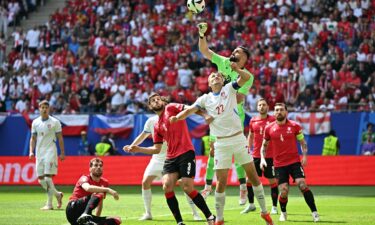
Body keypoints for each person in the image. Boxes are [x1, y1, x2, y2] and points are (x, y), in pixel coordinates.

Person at [170, 71, 274, 225]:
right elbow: (190, 110)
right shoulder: (205, 98)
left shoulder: (229, 89)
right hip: (221, 144)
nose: (216, 77)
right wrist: (177, 117)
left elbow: (246, 78)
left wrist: (237, 69)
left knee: (253, 177)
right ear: (209, 83)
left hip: (239, 139)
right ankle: (219, 219)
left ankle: (264, 212)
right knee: (221, 182)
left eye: (218, 75)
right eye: (212, 76)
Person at [124, 93, 216, 225]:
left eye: (158, 99)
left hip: (185, 152)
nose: (156, 101)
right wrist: (138, 149)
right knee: (167, 186)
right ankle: (179, 222)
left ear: (163, 101)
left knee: (187, 187)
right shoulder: (156, 126)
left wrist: (205, 115)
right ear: (150, 106)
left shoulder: (171, 107)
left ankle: (209, 216)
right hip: (170, 157)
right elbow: (156, 149)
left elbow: (191, 108)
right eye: (153, 101)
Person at [198, 22, 254, 204]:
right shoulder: (222, 62)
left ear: (245, 58)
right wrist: (202, 35)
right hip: (218, 115)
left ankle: (243, 188)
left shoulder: (247, 76)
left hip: (235, 115)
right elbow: (205, 52)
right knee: (213, 152)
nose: (234, 52)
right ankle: (207, 186)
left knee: (238, 155)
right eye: (234, 50)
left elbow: (238, 99)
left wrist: (223, 93)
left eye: (238, 52)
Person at [130, 112, 202, 221]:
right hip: (156, 158)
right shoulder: (151, 121)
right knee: (145, 182)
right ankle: (148, 213)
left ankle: (195, 213)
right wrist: (132, 146)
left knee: (184, 185)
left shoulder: (173, 119)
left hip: (172, 158)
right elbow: (143, 135)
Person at [260, 102, 320, 222]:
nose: (279, 112)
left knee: (302, 185)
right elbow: (264, 146)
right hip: (278, 165)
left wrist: (304, 156)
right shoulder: (269, 128)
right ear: (274, 112)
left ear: (286, 112)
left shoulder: (295, 126)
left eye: (281, 110)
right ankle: (283, 212)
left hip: (294, 163)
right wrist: (262, 158)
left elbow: (303, 143)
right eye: (276, 110)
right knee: (283, 191)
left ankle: (315, 213)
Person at [242, 98, 278, 215]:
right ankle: (251, 204)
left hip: (270, 156)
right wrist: (248, 149)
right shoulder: (253, 121)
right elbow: (251, 136)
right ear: (257, 108)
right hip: (255, 155)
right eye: (260, 105)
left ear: (268, 107)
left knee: (272, 181)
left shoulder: (273, 120)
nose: (262, 107)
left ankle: (274, 206)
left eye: (264, 105)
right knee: (249, 180)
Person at [29, 100, 65, 210]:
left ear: (49, 109)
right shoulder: (35, 122)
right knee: (40, 179)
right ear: (39, 109)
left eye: (46, 107)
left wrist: (62, 152)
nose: (44, 109)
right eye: (42, 107)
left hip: (50, 151)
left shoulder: (55, 122)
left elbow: (60, 138)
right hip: (39, 152)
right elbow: (33, 138)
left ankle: (49, 204)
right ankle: (57, 195)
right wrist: (31, 151)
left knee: (48, 178)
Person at [65, 157, 122, 225]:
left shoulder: (104, 182)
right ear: (90, 169)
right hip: (73, 209)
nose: (98, 167)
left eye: (100, 166)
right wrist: (108, 190)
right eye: (95, 165)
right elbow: (88, 188)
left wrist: (97, 219)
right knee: (100, 192)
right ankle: (85, 214)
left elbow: (99, 203)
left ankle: (86, 220)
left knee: (117, 220)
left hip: (81, 218)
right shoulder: (84, 178)